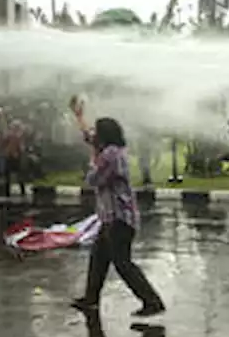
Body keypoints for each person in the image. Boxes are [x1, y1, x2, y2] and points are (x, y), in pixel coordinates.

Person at [68, 106, 166, 318]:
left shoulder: (110, 155)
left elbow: (93, 179)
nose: (93, 135)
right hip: (110, 218)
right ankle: (90, 299)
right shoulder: (110, 150)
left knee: (122, 262)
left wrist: (92, 159)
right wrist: (79, 117)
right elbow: (89, 139)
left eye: (96, 132)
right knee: (98, 259)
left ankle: (152, 302)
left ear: (104, 135)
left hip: (119, 219)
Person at [0, 119, 27, 197]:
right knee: (18, 175)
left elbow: (3, 144)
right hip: (14, 156)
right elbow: (21, 147)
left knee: (9, 175)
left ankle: (8, 192)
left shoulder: (10, 134)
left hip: (11, 156)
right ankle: (22, 191)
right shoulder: (17, 135)